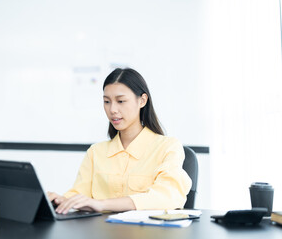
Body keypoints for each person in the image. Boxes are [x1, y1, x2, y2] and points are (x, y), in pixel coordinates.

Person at [48, 68, 192, 214]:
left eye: (121, 101)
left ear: (142, 100)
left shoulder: (167, 147)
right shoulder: (96, 152)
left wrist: (102, 204)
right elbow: (79, 194)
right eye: (107, 101)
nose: (112, 109)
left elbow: (167, 196)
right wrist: (60, 200)